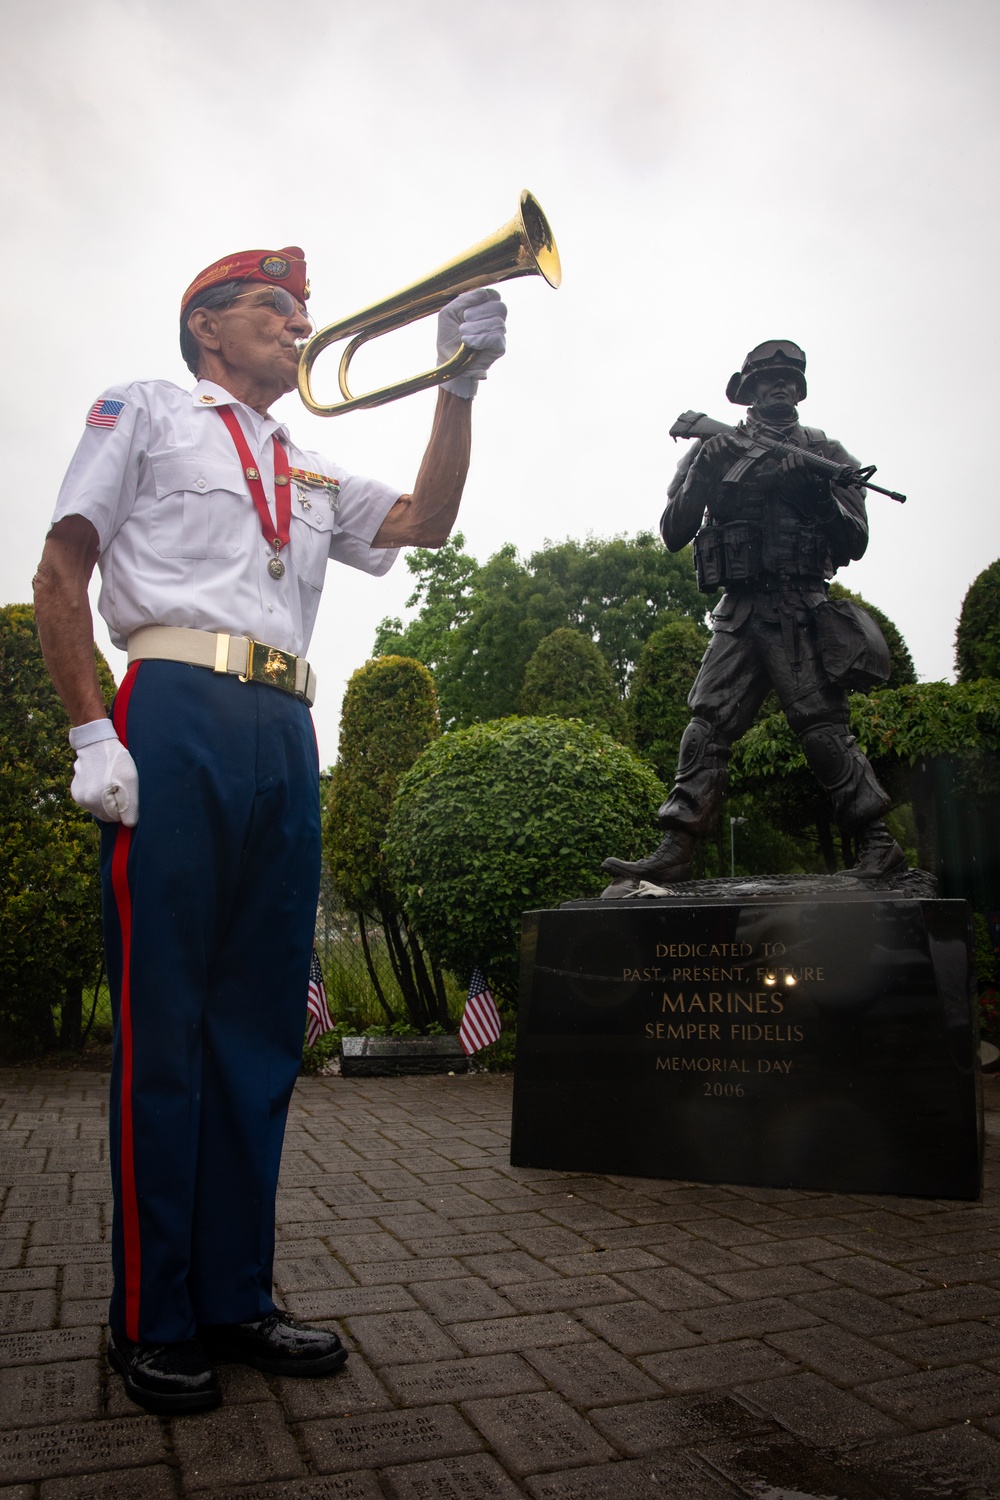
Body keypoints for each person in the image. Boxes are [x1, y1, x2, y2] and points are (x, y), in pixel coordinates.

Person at [32, 245, 508, 1413]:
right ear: (207, 328)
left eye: (302, 314)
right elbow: (62, 566)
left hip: (283, 726)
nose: (300, 328)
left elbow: (426, 521)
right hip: (175, 707)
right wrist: (93, 734)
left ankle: (238, 1295)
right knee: (166, 1026)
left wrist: (458, 383)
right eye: (273, 310)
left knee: (255, 1030)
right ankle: (150, 1312)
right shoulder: (145, 407)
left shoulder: (306, 461)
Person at [602, 338, 904, 895]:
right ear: (748, 390)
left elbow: (854, 541)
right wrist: (703, 475)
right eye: (768, 380)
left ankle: (878, 843)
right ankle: (676, 848)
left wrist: (810, 496)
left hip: (797, 609)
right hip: (739, 612)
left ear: (800, 388)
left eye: (790, 378)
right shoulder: (713, 445)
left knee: (822, 730)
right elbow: (672, 532)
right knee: (706, 725)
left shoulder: (825, 451)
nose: (780, 387)